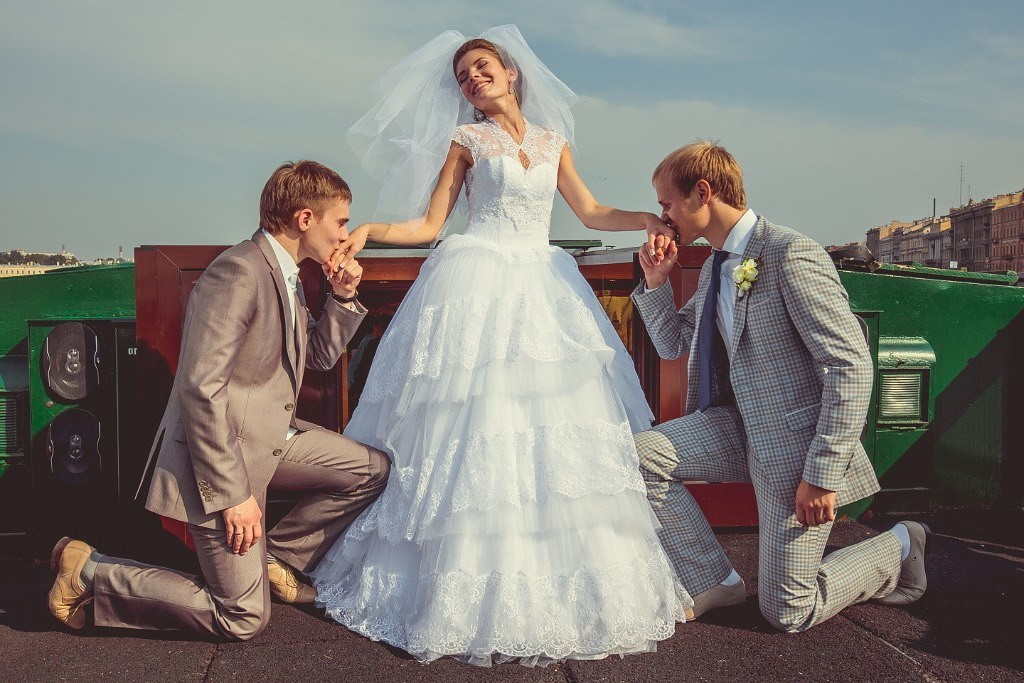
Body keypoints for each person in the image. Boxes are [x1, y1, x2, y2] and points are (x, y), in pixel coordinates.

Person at [309, 26, 691, 666]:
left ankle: (559, 587)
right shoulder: (467, 142)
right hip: (477, 285)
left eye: (481, 67)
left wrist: (647, 220)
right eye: (463, 76)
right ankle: (458, 587)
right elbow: (431, 225)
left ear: (511, 74)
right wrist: (371, 228)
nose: (472, 79)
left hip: (542, 285)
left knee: (553, 434)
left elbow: (591, 213)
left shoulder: (552, 142)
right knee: (476, 427)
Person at [47, 161, 390, 640]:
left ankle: (277, 559)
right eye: (342, 222)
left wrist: (342, 297)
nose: (345, 235)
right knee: (244, 617)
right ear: (306, 219)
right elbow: (200, 389)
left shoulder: (287, 275)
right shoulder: (240, 271)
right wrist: (233, 496)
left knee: (371, 470)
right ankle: (91, 572)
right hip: (220, 461)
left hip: (269, 438)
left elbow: (316, 357)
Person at [631, 141, 931, 632]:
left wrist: (822, 474)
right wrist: (658, 282)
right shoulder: (714, 266)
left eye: (666, 203)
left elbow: (849, 366)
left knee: (788, 612)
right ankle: (714, 580)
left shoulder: (791, 253)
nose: (662, 217)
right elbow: (672, 343)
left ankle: (899, 545)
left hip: (794, 451)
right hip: (734, 427)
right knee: (640, 458)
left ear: (701, 193)